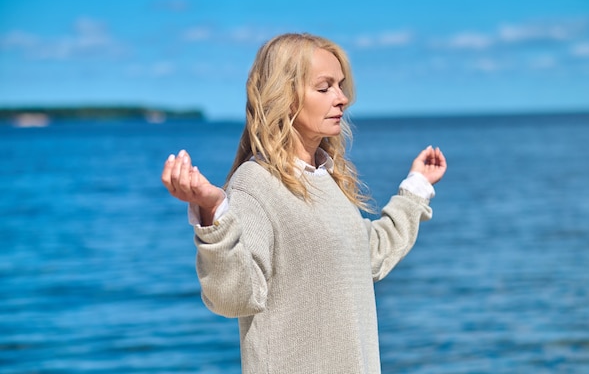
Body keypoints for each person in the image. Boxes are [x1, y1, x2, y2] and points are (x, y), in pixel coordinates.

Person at [161, 33, 447, 374]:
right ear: (285, 96)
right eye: (324, 87)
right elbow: (233, 298)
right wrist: (213, 215)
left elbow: (368, 253)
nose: (342, 98)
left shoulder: (327, 180)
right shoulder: (255, 184)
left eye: (340, 86)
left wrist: (416, 187)